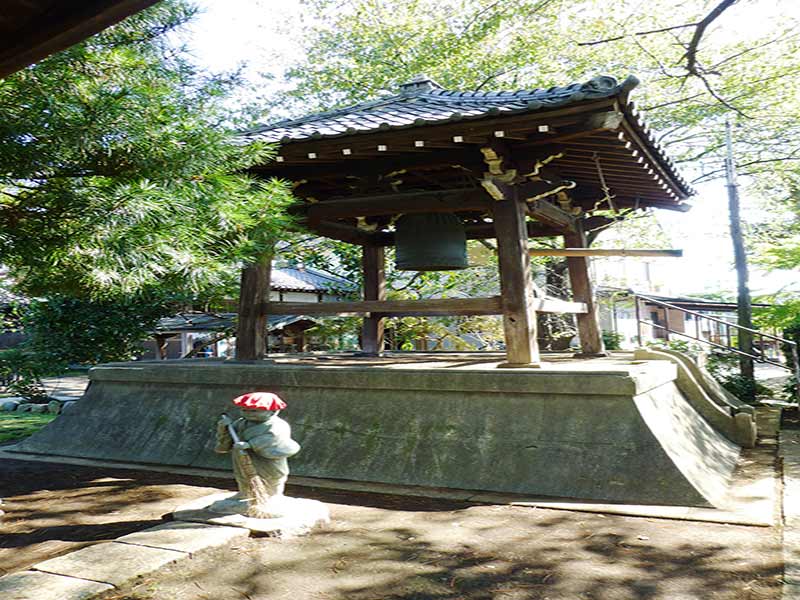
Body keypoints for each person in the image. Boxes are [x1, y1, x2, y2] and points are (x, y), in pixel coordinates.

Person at [215, 392, 301, 504]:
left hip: (266, 457)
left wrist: (251, 444)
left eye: (254, 411)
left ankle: (272, 495)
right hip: (242, 456)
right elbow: (229, 436)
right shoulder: (241, 422)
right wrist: (224, 426)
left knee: (271, 477)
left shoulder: (277, 424)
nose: (249, 413)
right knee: (242, 475)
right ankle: (245, 492)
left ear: (273, 411)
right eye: (244, 410)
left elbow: (273, 437)